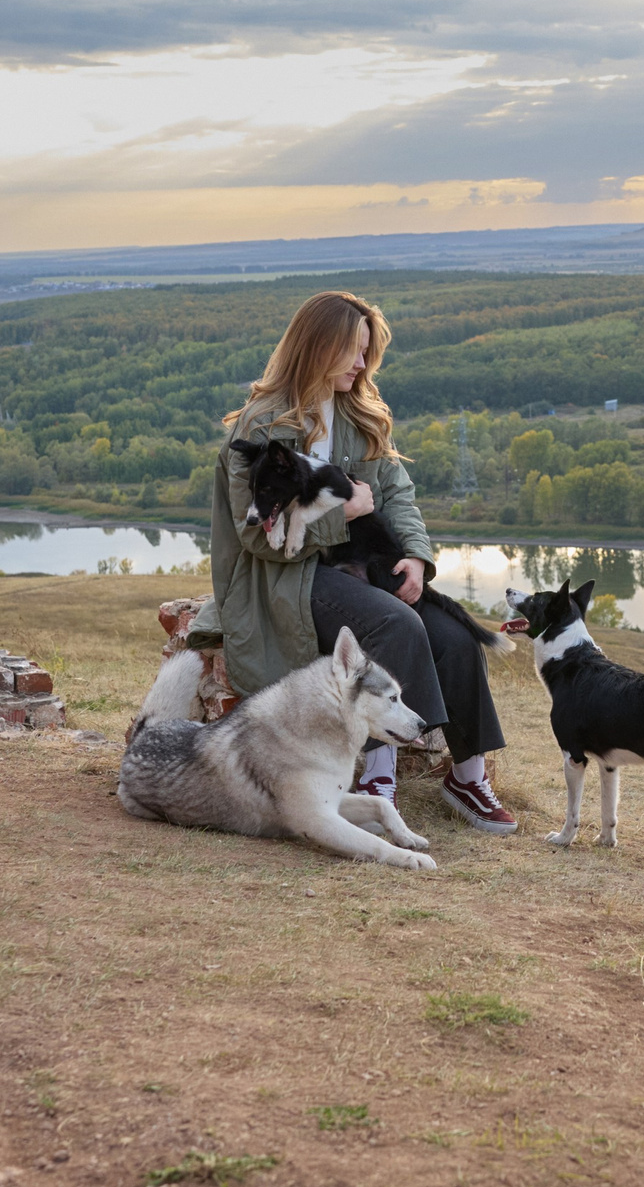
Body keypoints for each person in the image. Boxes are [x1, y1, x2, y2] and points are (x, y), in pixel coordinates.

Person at [209, 290, 515, 834]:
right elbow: (256, 537)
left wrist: (417, 557)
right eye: (352, 351)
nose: (360, 364)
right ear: (317, 347)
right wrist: (344, 513)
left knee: (455, 637)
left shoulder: (358, 412)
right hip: (288, 576)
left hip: (362, 563)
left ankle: (466, 777)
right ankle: (378, 777)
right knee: (391, 621)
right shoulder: (262, 428)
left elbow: (398, 493)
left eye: (366, 353)